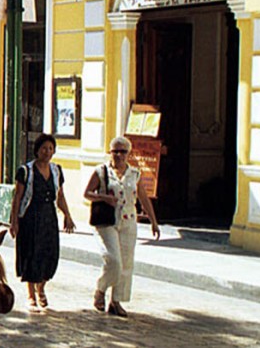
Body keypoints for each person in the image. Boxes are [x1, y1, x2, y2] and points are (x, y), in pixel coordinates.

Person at [84, 136, 160, 317]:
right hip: (107, 221)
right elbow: (87, 193)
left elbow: (143, 198)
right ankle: (100, 289)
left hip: (128, 221)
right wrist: (104, 198)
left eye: (123, 151)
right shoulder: (101, 171)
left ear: (128, 153)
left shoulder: (134, 174)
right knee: (114, 260)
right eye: (115, 151)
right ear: (110, 153)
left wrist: (153, 221)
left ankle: (116, 301)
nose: (118, 155)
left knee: (126, 263)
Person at [10, 133, 76, 311]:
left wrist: (67, 215)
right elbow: (18, 197)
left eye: (50, 149)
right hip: (30, 216)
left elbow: (60, 196)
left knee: (49, 254)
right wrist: (14, 221)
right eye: (44, 148)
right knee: (31, 253)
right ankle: (31, 294)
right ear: (37, 150)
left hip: (49, 217)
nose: (47, 152)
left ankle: (42, 287)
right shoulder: (26, 171)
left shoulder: (56, 170)